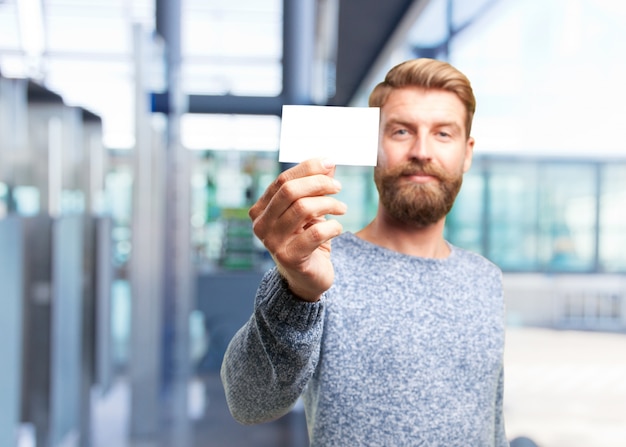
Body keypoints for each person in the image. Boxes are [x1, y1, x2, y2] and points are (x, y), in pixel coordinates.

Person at [221, 58, 509, 446]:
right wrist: (298, 293)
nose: (422, 151)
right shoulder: (316, 267)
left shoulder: (485, 279)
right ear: (373, 145)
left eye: (443, 133)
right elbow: (249, 403)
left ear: (467, 152)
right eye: (401, 131)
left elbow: (491, 423)